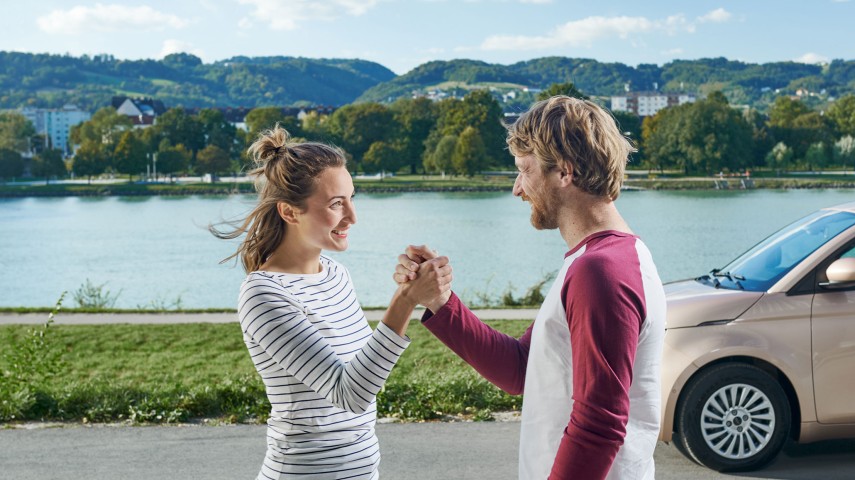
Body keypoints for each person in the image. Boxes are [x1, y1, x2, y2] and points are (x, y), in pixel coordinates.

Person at [395, 96, 666, 479]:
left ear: (565, 172)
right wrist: (440, 301)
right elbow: (522, 368)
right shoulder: (612, 257)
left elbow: (599, 426)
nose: (517, 189)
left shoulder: (600, 271)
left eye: (524, 169)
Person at [212, 126, 451, 480]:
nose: (352, 217)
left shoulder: (336, 274)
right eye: (337, 203)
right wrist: (405, 301)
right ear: (290, 212)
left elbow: (363, 374)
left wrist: (417, 287)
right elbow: (350, 393)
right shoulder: (262, 295)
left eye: (352, 199)